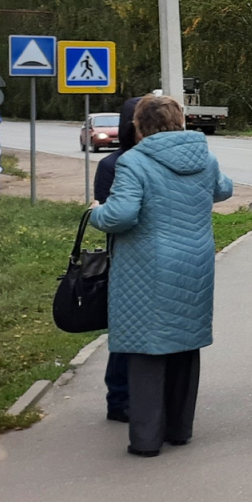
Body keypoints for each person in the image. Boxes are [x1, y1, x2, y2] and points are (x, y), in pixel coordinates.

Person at [86, 94, 233, 457]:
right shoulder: (205, 156)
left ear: (140, 126)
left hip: (147, 265)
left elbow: (121, 216)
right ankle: (180, 429)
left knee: (146, 348)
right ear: (179, 121)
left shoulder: (134, 161)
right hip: (195, 262)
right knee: (185, 343)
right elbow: (223, 189)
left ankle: (147, 440)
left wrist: (95, 212)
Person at [91, 93, 144, 423]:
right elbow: (111, 214)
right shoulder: (113, 165)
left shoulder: (152, 162)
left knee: (137, 330)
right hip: (125, 258)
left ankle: (134, 394)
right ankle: (119, 397)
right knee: (126, 331)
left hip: (146, 258)